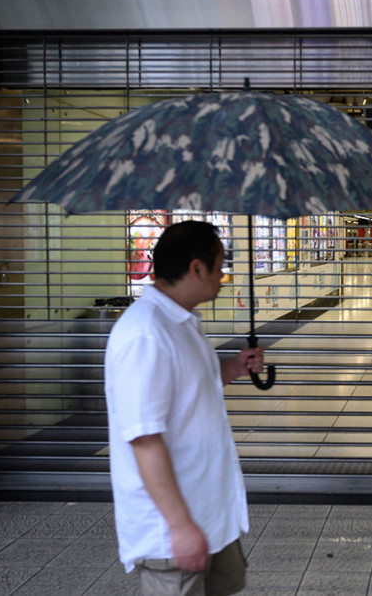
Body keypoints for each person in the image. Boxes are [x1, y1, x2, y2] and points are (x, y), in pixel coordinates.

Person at [104, 220, 265, 596]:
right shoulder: (145, 334)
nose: (223, 276)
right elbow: (143, 439)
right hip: (172, 531)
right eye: (221, 265)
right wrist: (179, 526)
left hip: (209, 513)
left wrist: (234, 369)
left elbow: (191, 389)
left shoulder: (182, 323)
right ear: (196, 268)